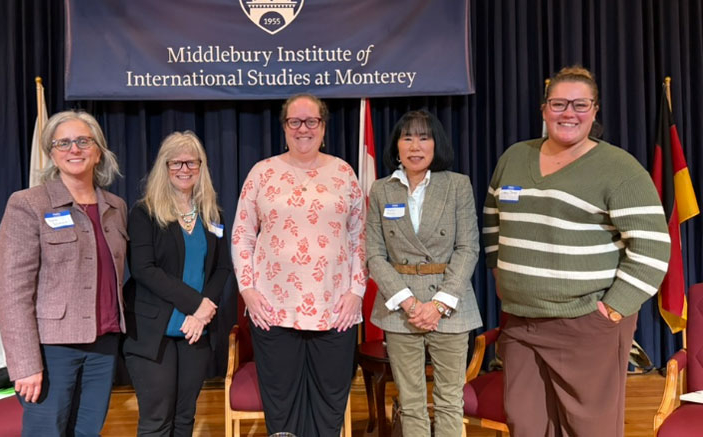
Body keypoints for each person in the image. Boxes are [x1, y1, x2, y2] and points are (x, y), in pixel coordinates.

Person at [483, 66, 671, 436]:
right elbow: (493, 222)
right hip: (521, 322)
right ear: (543, 109)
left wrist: (612, 310)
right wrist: (502, 279)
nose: (568, 112)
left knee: (589, 429)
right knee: (527, 424)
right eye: (558, 103)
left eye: (580, 104)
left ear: (595, 110)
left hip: (586, 323)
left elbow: (652, 248)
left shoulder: (619, 169)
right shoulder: (514, 158)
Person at [231, 93, 367, 436]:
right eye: (295, 121)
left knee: (329, 403)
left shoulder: (344, 173)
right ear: (284, 126)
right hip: (273, 309)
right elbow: (242, 236)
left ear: (323, 126)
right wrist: (247, 290)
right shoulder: (262, 173)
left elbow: (360, 238)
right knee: (282, 405)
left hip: (336, 309)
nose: (303, 128)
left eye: (311, 121)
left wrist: (356, 292)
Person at [0, 110, 127, 436]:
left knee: (88, 432)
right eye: (63, 142)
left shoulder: (116, 206)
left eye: (83, 141)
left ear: (98, 151)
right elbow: (12, 292)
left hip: (104, 345)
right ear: (52, 153)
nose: (74, 149)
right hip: (51, 350)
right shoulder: (29, 204)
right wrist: (25, 364)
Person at [366, 110, 481, 436]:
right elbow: (374, 254)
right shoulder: (381, 190)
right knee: (410, 402)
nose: (415, 146)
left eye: (423, 137)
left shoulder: (458, 185)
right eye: (407, 137)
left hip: (450, 305)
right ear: (397, 145)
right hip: (401, 308)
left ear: (436, 144)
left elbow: (468, 248)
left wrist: (439, 305)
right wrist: (410, 304)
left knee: (449, 401)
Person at [123, 131, 231, 436]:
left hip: (197, 332)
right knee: (158, 420)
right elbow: (144, 269)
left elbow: (222, 269)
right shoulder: (145, 212)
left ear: (201, 167)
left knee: (185, 418)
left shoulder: (214, 214)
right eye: (176, 163)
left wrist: (202, 314)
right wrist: (197, 304)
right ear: (164, 166)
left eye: (191, 163)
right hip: (153, 333)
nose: (184, 169)